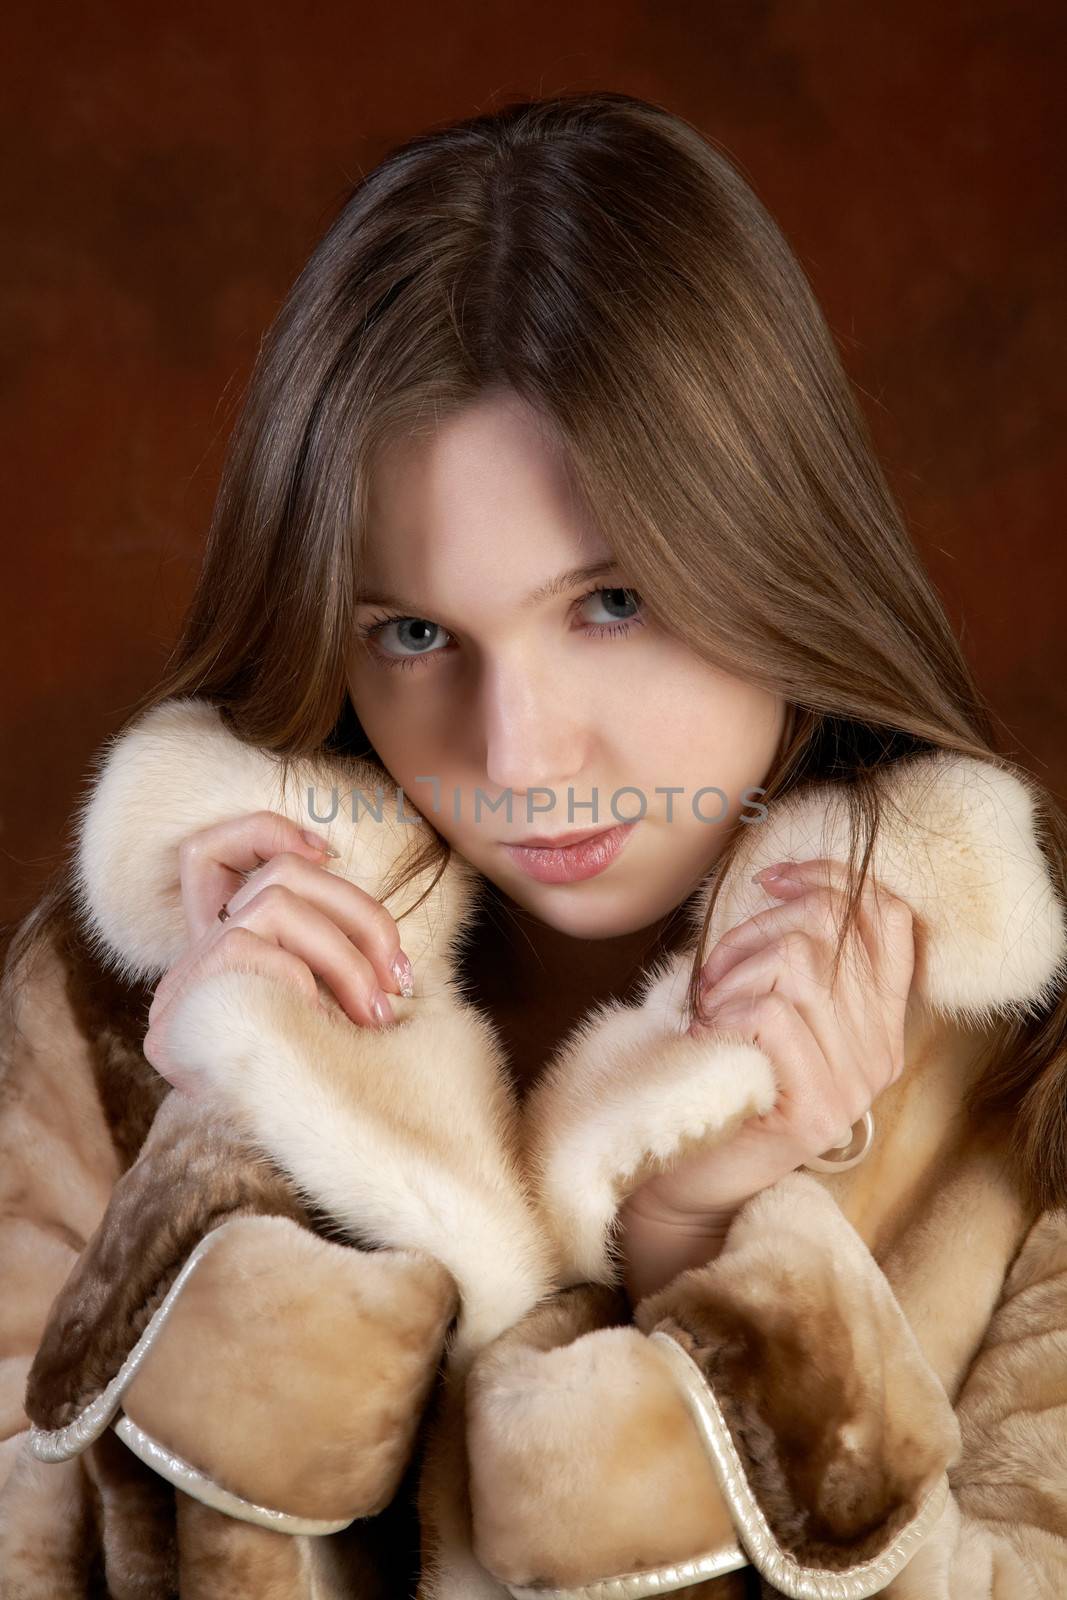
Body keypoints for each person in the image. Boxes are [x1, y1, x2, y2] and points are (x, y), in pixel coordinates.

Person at [1, 88, 1065, 1598]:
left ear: (777, 550)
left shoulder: (1028, 1062)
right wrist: (235, 1148)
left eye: (613, 605)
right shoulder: (125, 1014)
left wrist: (711, 1269)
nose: (517, 759)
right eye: (418, 630)